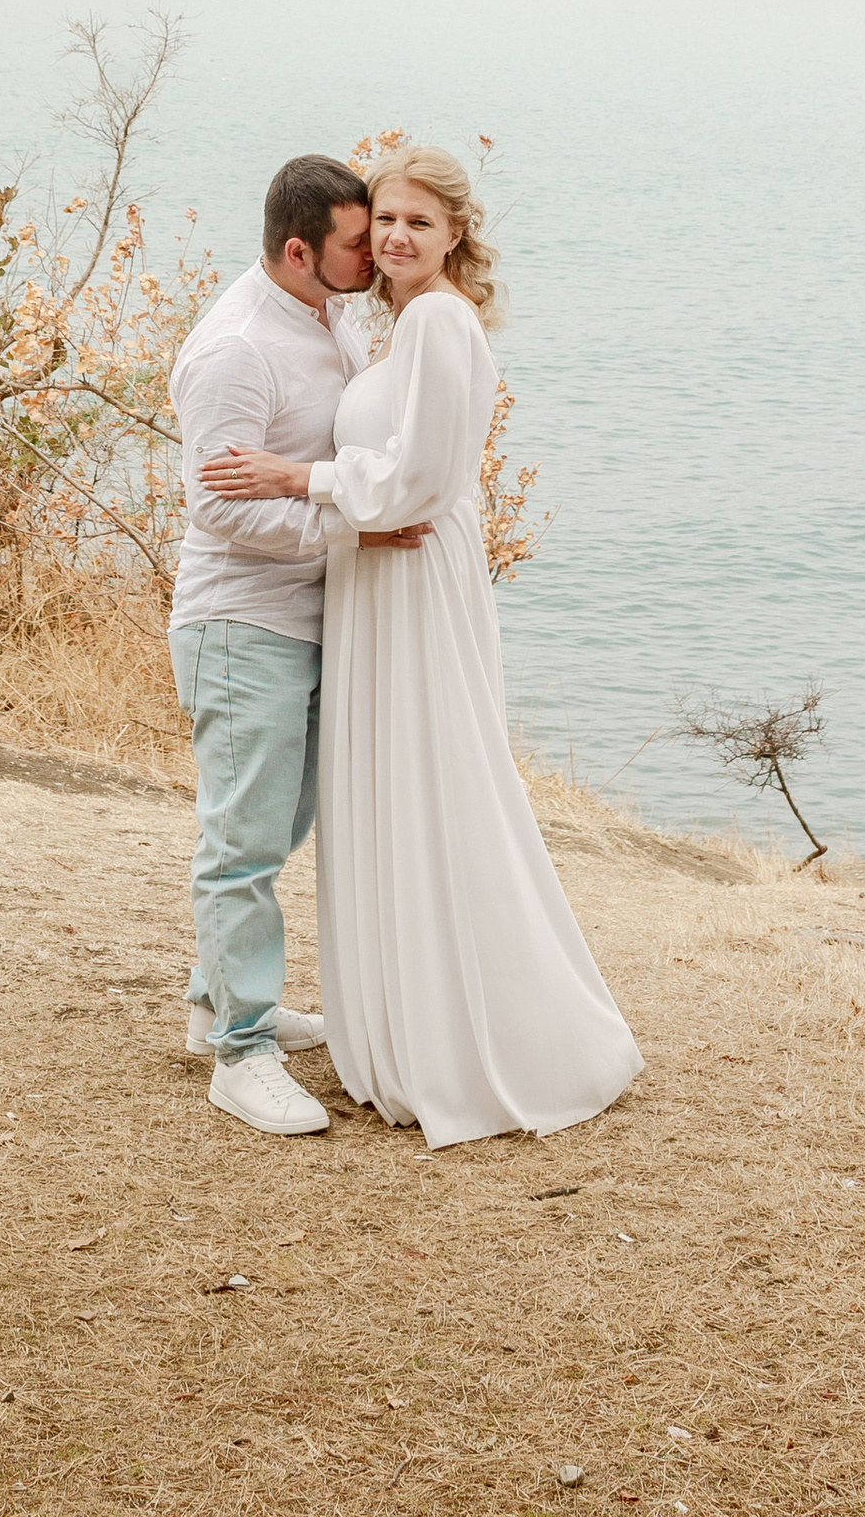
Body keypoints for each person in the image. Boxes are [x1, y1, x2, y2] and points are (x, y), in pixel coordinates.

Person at [202, 144, 643, 1149]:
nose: (395, 238)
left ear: (454, 238)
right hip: (372, 578)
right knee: (387, 795)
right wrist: (327, 494)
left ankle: (485, 1039)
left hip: (408, 578)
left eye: (415, 224)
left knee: (436, 789)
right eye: (383, 223)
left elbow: (423, 483)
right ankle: (399, 1022)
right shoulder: (395, 329)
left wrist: (297, 481)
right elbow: (390, 472)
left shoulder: (440, 320)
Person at [166, 151, 428, 1139]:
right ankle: (240, 1055)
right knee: (241, 846)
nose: (378, 257)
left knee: (280, 827)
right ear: (296, 250)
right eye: (360, 245)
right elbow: (216, 511)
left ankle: (216, 999)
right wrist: (351, 525)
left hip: (312, 618)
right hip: (242, 625)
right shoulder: (238, 350)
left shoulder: (328, 313)